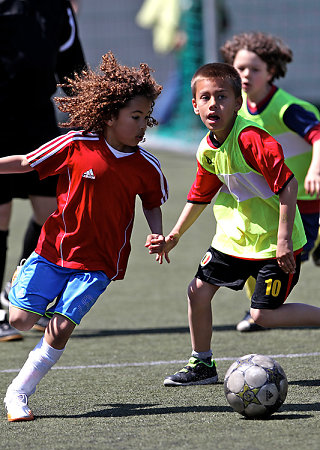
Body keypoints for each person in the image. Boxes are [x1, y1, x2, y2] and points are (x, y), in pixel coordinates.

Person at [2, 51, 168, 421]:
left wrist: (157, 234)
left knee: (60, 327)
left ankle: (18, 393)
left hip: (98, 264)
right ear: (110, 116)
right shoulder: (76, 145)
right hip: (51, 252)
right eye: (135, 117)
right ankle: (22, 277)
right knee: (19, 322)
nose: (143, 126)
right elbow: (28, 161)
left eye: (146, 118)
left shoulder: (147, 166)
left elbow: (152, 204)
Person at [146, 62, 320, 387]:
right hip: (232, 240)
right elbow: (199, 197)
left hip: (273, 242)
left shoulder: (253, 140)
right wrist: (173, 237)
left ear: (238, 102)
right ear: (195, 105)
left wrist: (284, 240)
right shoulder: (206, 150)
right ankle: (202, 364)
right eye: (206, 97)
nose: (214, 104)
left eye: (223, 96)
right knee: (197, 292)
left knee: (262, 315)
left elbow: (289, 185)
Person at [220, 32, 320, 332]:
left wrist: (315, 169)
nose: (246, 75)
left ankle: (262, 311)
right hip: (271, 202)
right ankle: (258, 311)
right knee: (253, 254)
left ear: (271, 72)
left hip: (305, 201)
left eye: (255, 69)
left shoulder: (285, 108)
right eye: (240, 69)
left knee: (282, 259)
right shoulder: (237, 110)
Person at [0, 0, 86, 341]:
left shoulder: (55, 7)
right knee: (0, 213)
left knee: (49, 209)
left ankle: (16, 292)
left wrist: (89, 115)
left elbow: (73, 71)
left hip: (37, 120)